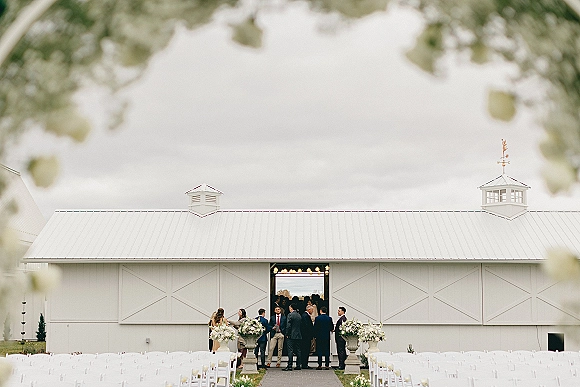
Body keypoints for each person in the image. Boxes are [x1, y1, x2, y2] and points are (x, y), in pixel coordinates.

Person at [283, 303, 302, 371]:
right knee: (298, 350)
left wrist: (287, 333)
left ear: (291, 308)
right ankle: (298, 365)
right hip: (298, 335)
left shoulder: (290, 315)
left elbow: (288, 326)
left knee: (290, 350)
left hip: (291, 335)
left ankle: (290, 365)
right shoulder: (299, 315)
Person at [300, 304, 314, 369]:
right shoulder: (305, 316)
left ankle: (304, 363)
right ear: (309, 310)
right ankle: (304, 364)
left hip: (305, 336)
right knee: (305, 350)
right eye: (312, 310)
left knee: (305, 350)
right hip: (306, 337)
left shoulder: (305, 315)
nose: (313, 311)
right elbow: (307, 327)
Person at [334, 306, 347, 370]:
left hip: (340, 338)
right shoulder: (342, 319)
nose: (338, 312)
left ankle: (341, 365)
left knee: (341, 351)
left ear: (343, 312)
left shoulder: (343, 319)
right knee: (341, 351)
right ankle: (341, 364)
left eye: (339, 311)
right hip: (340, 338)